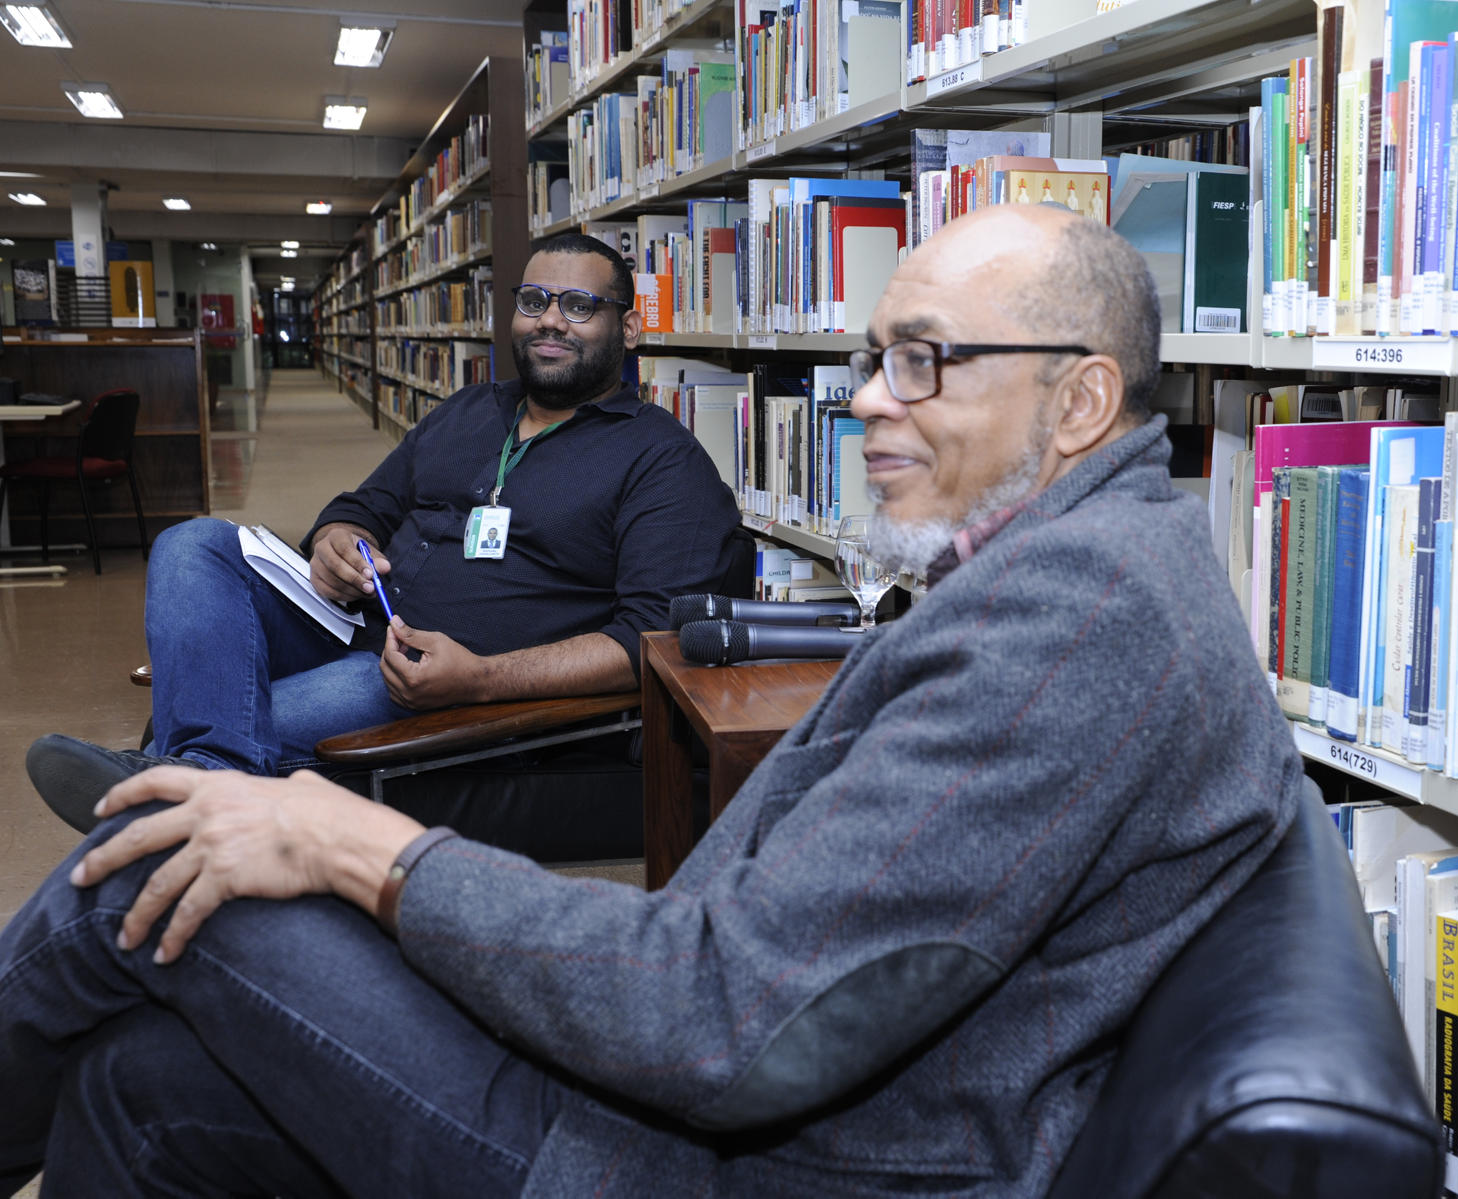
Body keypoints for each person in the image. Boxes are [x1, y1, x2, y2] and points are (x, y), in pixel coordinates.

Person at [0, 203, 1306, 1196]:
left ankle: (205, 783)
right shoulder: (1094, 559)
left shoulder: (1075, 620)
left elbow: (729, 1021)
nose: (863, 400)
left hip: (703, 1155)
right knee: (139, 1077)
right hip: (710, 1079)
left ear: (1079, 397)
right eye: (874, 355)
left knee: (156, 869)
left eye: (922, 360)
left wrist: (356, 841)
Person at [24, 232, 743, 833]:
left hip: (426, 674)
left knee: (205, 715)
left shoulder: (662, 458)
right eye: (534, 300)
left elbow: (650, 638)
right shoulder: (469, 409)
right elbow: (367, 500)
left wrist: (484, 678)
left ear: (630, 326)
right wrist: (338, 535)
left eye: (580, 305)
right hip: (346, 618)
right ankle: (205, 781)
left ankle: (182, 784)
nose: (550, 320)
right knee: (191, 543)